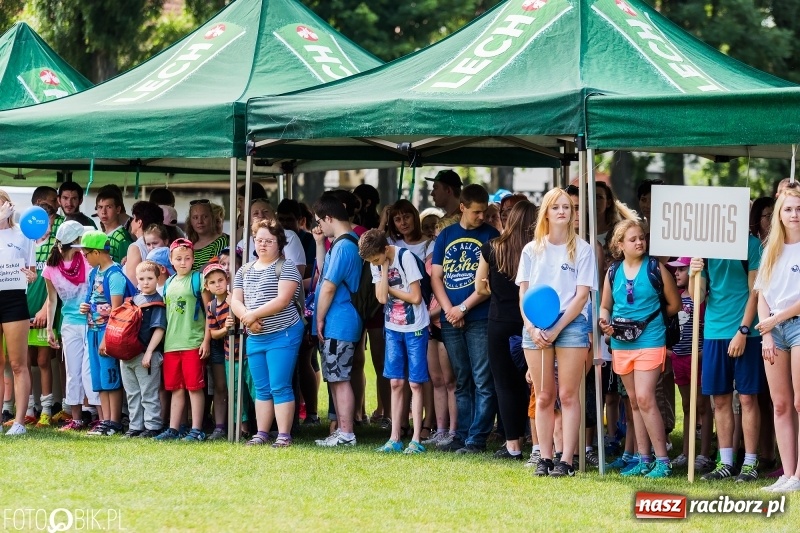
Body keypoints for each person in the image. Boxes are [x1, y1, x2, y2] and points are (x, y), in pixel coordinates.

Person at [517, 188, 598, 477]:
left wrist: (557, 328)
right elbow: (523, 294)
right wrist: (531, 326)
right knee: (543, 395)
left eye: (566, 207)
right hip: (536, 324)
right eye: (556, 207)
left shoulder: (583, 249)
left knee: (568, 395)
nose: (562, 211)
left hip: (571, 323)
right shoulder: (531, 250)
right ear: (546, 213)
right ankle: (545, 457)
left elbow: (582, 295)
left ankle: (566, 460)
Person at [599, 220, 680, 479]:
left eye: (641, 238)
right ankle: (643, 460)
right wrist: (604, 322)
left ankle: (663, 461)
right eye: (633, 239)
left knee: (645, 398)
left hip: (651, 340)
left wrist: (649, 322)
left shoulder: (656, 268)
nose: (639, 242)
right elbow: (605, 306)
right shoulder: (613, 272)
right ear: (620, 245)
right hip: (621, 342)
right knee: (633, 401)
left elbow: (675, 304)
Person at [690, 220, 766, 482]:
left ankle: (750, 463)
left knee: (747, 398)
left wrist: (743, 331)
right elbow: (698, 296)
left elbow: (755, 292)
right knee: (720, 400)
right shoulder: (705, 248)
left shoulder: (752, 245)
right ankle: (726, 462)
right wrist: (694, 273)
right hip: (714, 332)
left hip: (747, 332)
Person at [432, 184, 499, 453]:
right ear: (462, 207)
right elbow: (436, 277)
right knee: (462, 379)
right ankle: (461, 435)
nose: (481, 217)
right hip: (451, 318)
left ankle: (477, 438)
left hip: (480, 316)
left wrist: (462, 308)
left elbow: (490, 282)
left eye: (484, 212)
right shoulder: (446, 235)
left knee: (482, 379)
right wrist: (450, 309)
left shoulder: (491, 236)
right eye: (476, 212)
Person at [231, 220, 304, 447]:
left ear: (279, 243)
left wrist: (252, 316)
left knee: (280, 385)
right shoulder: (244, 269)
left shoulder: (286, 266)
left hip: (283, 333)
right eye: (259, 240)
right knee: (261, 387)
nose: (262, 244)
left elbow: (283, 300)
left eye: (269, 241)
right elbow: (235, 300)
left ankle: (283, 435)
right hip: (255, 336)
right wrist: (248, 318)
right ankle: (261, 433)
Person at [476, 200, 537, 460]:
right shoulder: (538, 250)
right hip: (532, 322)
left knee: (505, 385)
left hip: (500, 321)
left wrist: (495, 288)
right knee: (534, 384)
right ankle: (538, 442)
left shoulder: (492, 248)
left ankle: (513, 444)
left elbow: (479, 287)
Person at [360, 229, 430, 454]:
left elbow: (415, 297)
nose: (374, 263)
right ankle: (394, 437)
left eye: (376, 259)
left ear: (385, 249)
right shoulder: (377, 262)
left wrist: (388, 287)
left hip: (415, 327)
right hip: (392, 327)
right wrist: (382, 267)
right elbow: (381, 298)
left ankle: (416, 439)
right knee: (395, 382)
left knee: (415, 383)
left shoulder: (405, 257)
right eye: (371, 261)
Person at [755, 187, 800, 492]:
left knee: (799, 402)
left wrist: (775, 319)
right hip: (774, 331)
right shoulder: (770, 249)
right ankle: (787, 474)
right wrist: (767, 333)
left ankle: (798, 476)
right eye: (788, 209)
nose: (794, 214)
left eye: (799, 209)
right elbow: (762, 294)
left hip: (795, 326)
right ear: (779, 214)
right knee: (781, 404)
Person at [312, 193, 363, 447]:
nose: (320, 227)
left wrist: (319, 318)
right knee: (334, 377)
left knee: (340, 379)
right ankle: (342, 430)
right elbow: (325, 274)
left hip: (339, 321)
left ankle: (347, 433)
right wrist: (320, 243)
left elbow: (329, 286)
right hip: (338, 321)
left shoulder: (344, 246)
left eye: (320, 221)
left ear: (329, 218)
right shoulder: (342, 243)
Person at [43, 221, 100, 431]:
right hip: (69, 324)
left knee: (89, 371)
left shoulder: (86, 259)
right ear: (75, 241)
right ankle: (76, 419)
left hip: (92, 321)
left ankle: (101, 418)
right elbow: (52, 300)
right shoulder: (50, 268)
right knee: (73, 372)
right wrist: (50, 328)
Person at [75, 230, 131, 436]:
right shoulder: (94, 273)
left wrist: (106, 338)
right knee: (99, 379)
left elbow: (116, 310)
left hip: (108, 333)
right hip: (93, 330)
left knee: (110, 376)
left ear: (97, 252)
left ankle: (114, 422)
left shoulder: (114, 275)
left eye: (86, 254)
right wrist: (86, 307)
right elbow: (93, 299)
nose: (85, 258)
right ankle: (105, 420)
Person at [155, 238, 210, 441]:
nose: (183, 262)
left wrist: (206, 340)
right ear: (171, 260)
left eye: (187, 258)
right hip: (172, 344)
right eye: (178, 258)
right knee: (176, 388)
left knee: (194, 387)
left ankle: (196, 429)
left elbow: (209, 312)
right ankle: (174, 428)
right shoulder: (168, 283)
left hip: (193, 342)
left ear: (193, 259)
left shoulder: (198, 279)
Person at [665, 257, 713, 472]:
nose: (676, 273)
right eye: (675, 270)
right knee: (686, 406)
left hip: (699, 358)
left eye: (682, 269)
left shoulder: (701, 299)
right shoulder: (676, 297)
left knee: (702, 405)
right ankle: (686, 452)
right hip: (680, 358)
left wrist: (702, 354)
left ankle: (704, 454)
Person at [0, 190, 37, 435]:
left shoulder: (22, 235)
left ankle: (20, 421)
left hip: (14, 299)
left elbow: (31, 271)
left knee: (17, 363)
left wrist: (32, 276)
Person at [25, 201, 62, 427]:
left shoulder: (54, 247)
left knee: (43, 360)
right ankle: (29, 409)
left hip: (45, 311)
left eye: (47, 221)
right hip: (23, 311)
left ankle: (47, 410)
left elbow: (56, 283)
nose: (42, 226)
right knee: (25, 361)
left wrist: (45, 309)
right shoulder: (24, 243)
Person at [120, 260, 166, 438]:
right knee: (132, 393)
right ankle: (135, 426)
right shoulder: (133, 300)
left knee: (149, 392)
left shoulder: (158, 302)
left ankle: (152, 426)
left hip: (147, 354)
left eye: (150, 278)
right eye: (141, 279)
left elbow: (159, 329)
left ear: (157, 278)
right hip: (128, 354)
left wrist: (149, 353)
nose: (145, 282)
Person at [237, 199, 305, 276]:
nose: (261, 215)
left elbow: (296, 273)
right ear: (249, 220)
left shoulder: (289, 236)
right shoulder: (243, 244)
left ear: (274, 215)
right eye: (256, 213)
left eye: (265, 211)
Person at [204, 262, 233, 441]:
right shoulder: (211, 306)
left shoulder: (234, 299)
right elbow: (213, 333)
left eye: (220, 280)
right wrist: (225, 329)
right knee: (220, 386)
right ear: (207, 286)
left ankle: (241, 424)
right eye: (213, 282)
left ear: (227, 280)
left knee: (236, 385)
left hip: (236, 345)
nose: (218, 285)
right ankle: (220, 426)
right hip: (219, 345)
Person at [125, 201, 166, 282]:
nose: (131, 222)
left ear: (139, 222)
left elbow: (132, 282)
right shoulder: (163, 243)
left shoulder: (135, 248)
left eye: (133, 218)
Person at [186, 200, 228, 271]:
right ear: (190, 221)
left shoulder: (220, 241)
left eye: (205, 217)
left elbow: (215, 268)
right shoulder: (190, 243)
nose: (200, 221)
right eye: (195, 217)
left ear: (212, 218)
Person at [95, 187, 133, 264]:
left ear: (118, 209)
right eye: (100, 207)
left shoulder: (122, 239)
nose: (103, 212)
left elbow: (125, 269)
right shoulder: (102, 235)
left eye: (109, 207)